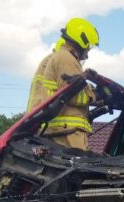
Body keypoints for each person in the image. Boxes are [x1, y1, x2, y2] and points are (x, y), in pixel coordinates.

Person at [27, 18, 100, 150]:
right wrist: (94, 96)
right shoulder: (66, 58)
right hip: (68, 131)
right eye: (88, 46)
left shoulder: (60, 57)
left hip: (62, 129)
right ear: (81, 40)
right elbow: (73, 94)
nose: (88, 52)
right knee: (80, 168)